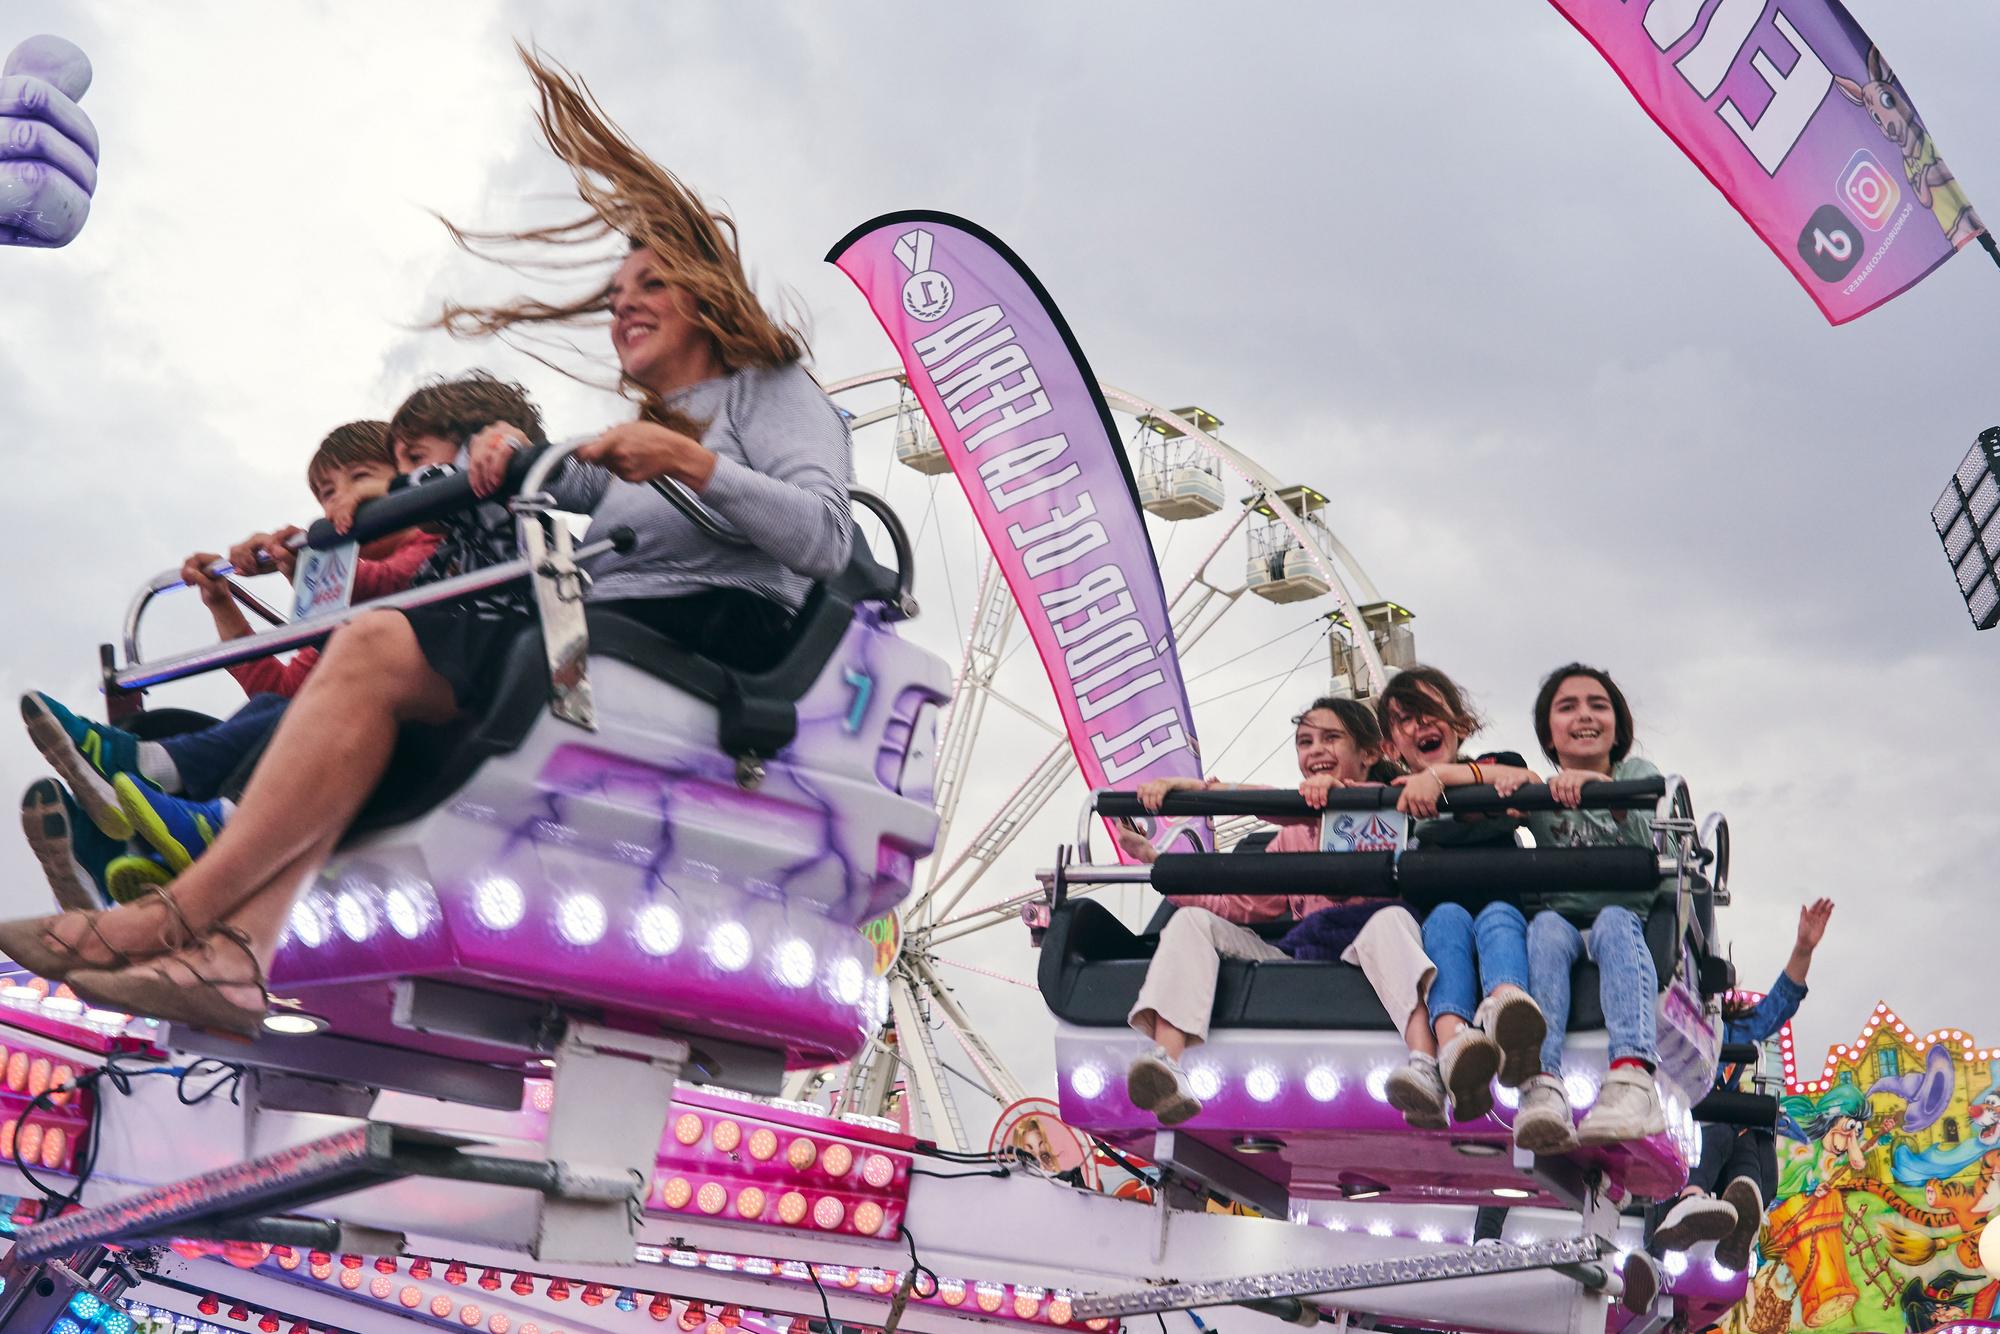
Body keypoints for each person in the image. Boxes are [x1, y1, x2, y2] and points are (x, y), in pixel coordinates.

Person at [0, 49, 853, 1035]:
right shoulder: (645, 426)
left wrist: (689, 461)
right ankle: (237, 957)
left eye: (648, 283)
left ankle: (174, 912)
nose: (620, 302)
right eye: (615, 289)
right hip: (616, 633)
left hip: (695, 641)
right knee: (369, 694)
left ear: (705, 295)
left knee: (377, 643)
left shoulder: (771, 396)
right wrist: (507, 452)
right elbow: (566, 474)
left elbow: (825, 536)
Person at [16, 421, 447, 909]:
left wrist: (305, 560)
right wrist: (222, 603)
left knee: (286, 715)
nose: (340, 500)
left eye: (361, 477)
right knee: (267, 707)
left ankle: (155, 772)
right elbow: (282, 686)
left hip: (404, 735)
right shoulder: (340, 589)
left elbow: (391, 584)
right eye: (327, 492)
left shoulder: (432, 548)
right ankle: (116, 850)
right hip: (329, 728)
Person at [1117, 697, 1445, 1129]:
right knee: (1192, 922)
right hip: (1303, 957)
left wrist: (1198, 791)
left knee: (1391, 921)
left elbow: (1274, 801)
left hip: (1370, 955)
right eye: (1305, 742)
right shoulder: (1291, 837)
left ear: (1369, 753)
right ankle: (1168, 1062)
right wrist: (1157, 862)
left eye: (1331, 738)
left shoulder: (1389, 806)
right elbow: (1240, 906)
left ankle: (1425, 1062)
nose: (1315, 750)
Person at [1515, 665, 1668, 1154]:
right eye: (1568, 707)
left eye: (1597, 705)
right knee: (1543, 930)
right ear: (1549, 732)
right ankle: (1542, 1082)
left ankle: (1631, 1076)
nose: (1584, 716)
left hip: (1623, 916)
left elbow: (1640, 813)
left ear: (1618, 727)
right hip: (1561, 919)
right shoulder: (1541, 792)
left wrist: (1590, 782)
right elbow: (1504, 786)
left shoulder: (1636, 775)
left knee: (1613, 923)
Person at [1383, 666, 1547, 1121]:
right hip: (1438, 920)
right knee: (1448, 920)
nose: (1421, 725)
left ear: (1461, 722)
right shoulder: (1390, 796)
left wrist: (1438, 776)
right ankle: (1454, 1042)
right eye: (1405, 720)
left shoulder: (1494, 764)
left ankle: (1507, 1010)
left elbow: (1525, 776)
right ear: (1390, 746)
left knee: (1496, 916)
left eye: (1430, 711)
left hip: (1502, 907)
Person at [1654, 898, 1835, 1270]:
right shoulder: (1667, 1017)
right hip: (1682, 1132)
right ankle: (1688, 1202)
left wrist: (1802, 949)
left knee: (1750, 1134)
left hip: (1725, 1140)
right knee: (1722, 1128)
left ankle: (1743, 1222)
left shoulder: (1731, 1030)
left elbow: (1780, 1004)